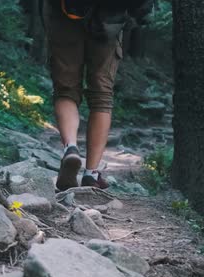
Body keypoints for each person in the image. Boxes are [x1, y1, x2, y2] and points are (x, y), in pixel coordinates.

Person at [46, 0, 153, 190]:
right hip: (110, 19)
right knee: (101, 96)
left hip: (65, 13)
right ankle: (91, 173)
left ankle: (71, 147)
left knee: (66, 89)